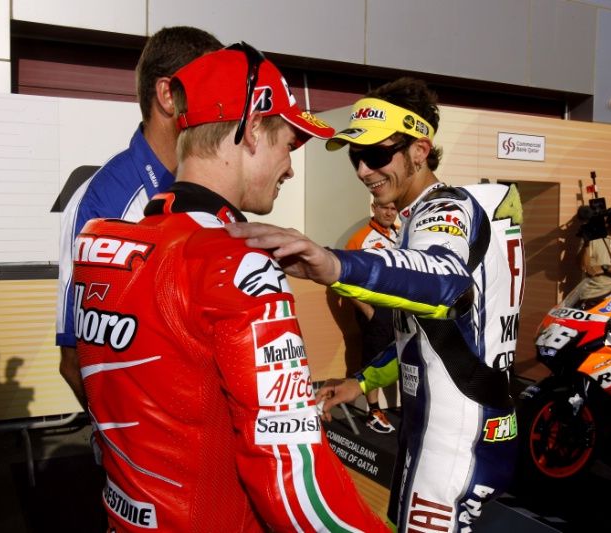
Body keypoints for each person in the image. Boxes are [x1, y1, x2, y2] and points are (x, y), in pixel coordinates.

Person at [72, 45, 388, 532]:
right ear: (253, 128)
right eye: (289, 144)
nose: (290, 168)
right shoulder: (237, 263)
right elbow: (289, 478)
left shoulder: (99, 245)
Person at [227, 77, 525, 532]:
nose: (364, 170)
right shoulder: (430, 214)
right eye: (356, 157)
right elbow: (428, 335)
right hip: (456, 424)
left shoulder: (444, 209)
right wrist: (362, 382)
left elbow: (446, 281)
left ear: (420, 151)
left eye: (377, 154)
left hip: (454, 437)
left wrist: (335, 264)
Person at [55, 26, 223, 409]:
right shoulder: (101, 201)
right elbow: (76, 362)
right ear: (168, 96)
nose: (224, 105)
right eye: (213, 88)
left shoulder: (211, 189)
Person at [345, 201, 399, 433]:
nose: (389, 212)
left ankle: (403, 406)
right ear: (374, 208)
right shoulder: (359, 239)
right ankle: (373, 411)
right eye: (385, 208)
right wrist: (368, 311)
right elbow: (344, 280)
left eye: (393, 209)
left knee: (401, 356)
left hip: (400, 306)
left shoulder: (401, 234)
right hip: (375, 308)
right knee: (374, 358)